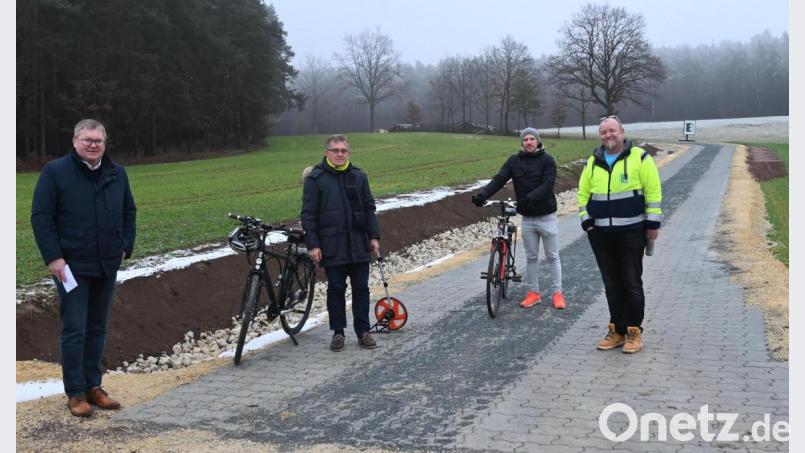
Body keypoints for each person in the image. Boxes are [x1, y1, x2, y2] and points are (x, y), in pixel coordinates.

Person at [31, 119, 137, 416]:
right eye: (87, 139)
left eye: (98, 141)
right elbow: (41, 217)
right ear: (75, 141)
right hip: (71, 267)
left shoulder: (117, 173)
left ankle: (94, 385)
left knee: (97, 328)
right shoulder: (56, 172)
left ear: (105, 143)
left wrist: (126, 244)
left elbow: (129, 211)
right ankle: (75, 392)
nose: (93, 145)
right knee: (74, 329)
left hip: (107, 264)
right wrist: (54, 257)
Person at [577, 115, 662, 354]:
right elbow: (582, 195)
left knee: (631, 283)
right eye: (604, 132)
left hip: (632, 231)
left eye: (612, 131)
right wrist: (588, 224)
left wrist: (652, 224)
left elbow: (653, 191)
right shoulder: (592, 162)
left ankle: (634, 332)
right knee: (611, 285)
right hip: (601, 235)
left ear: (622, 132)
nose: (608, 136)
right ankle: (617, 330)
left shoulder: (640, 158)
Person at [301, 134, 381, 351]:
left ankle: (363, 332)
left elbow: (369, 208)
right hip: (331, 245)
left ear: (348, 153)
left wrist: (373, 236)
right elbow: (308, 215)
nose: (339, 154)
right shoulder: (316, 179)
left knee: (361, 289)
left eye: (343, 150)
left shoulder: (359, 176)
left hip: (358, 243)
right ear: (327, 152)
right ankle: (338, 332)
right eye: (335, 150)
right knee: (336, 289)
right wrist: (313, 245)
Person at [472, 127, 565, 309]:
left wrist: (530, 198)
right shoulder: (514, 161)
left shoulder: (548, 160)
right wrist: (483, 195)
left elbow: (548, 184)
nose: (529, 142)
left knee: (552, 256)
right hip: (528, 218)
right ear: (522, 143)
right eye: (525, 139)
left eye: (532, 139)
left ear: (538, 141)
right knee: (531, 257)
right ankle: (533, 293)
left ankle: (557, 294)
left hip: (546, 216)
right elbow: (500, 179)